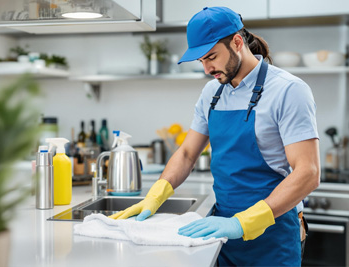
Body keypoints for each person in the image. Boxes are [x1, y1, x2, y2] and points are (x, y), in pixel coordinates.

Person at [109, 6, 320, 266]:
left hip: (273, 234)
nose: (207, 69)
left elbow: (308, 172)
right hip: (222, 231)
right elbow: (187, 154)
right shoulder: (212, 93)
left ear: (237, 42)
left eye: (212, 57)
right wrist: (155, 196)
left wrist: (244, 223)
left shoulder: (288, 90)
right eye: (201, 61)